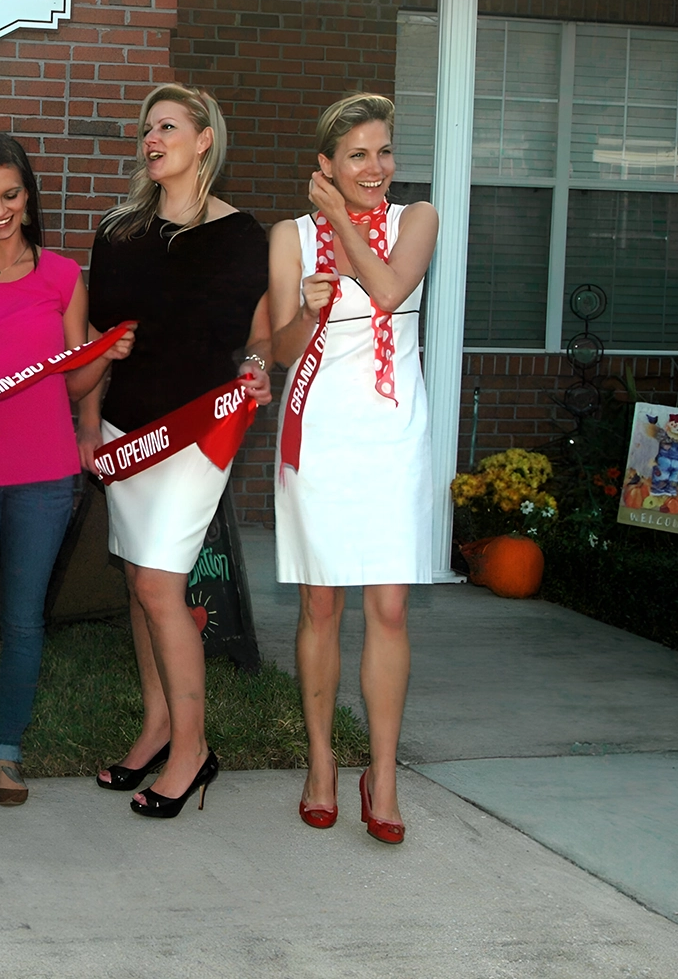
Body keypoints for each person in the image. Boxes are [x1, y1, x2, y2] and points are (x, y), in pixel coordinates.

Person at [81, 82, 273, 819]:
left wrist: (258, 365)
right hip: (128, 433)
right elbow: (102, 342)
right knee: (138, 583)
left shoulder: (243, 236)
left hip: (196, 433)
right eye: (147, 129)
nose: (151, 139)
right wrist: (91, 420)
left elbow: (260, 330)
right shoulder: (118, 232)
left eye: (167, 126)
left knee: (160, 587)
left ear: (204, 141)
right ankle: (158, 726)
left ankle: (193, 752)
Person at [0, 133, 128, 807]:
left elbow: (72, 383)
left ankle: (7, 754)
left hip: (43, 473)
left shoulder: (63, 277)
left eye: (11, 194)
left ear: (30, 195)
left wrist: (108, 354)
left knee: (24, 622)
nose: (0, 210)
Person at [268, 93, 437, 844]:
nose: (378, 167)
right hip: (321, 433)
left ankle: (386, 775)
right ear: (326, 165)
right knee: (322, 608)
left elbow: (391, 288)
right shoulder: (288, 237)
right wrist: (305, 311)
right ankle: (323, 763)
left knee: (390, 609)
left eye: (385, 151)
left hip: (394, 434)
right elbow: (278, 350)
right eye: (359, 154)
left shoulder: (418, 220)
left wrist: (340, 220)